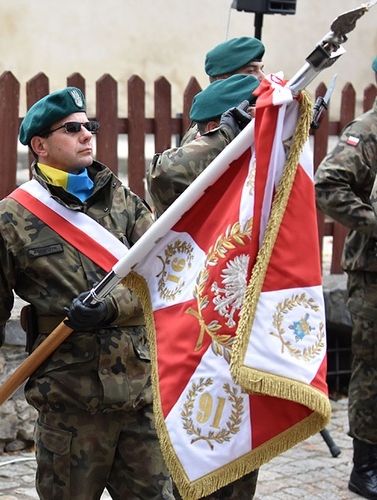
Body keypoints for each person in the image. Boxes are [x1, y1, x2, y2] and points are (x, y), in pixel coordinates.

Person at [0, 87, 174, 499]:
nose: (86, 136)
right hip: (70, 403)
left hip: (139, 395)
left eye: (89, 126)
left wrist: (109, 308)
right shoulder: (12, 217)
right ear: (40, 145)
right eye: (72, 128)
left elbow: (161, 276)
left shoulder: (124, 201)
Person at [148, 74, 260, 499]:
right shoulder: (193, 160)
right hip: (196, 329)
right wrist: (229, 137)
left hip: (239, 326)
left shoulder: (250, 165)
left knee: (240, 449)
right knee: (199, 452)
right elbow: (164, 175)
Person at [313, 56, 377, 500]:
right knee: (374, 371)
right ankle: (367, 466)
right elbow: (328, 185)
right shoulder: (370, 130)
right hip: (374, 275)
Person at [149, 74, 260, 217]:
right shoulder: (202, 158)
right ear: (214, 127)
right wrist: (224, 136)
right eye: (248, 115)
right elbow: (163, 174)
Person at [180, 37, 266, 147]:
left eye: (262, 69)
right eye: (251, 71)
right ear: (222, 79)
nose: (263, 78)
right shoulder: (206, 127)